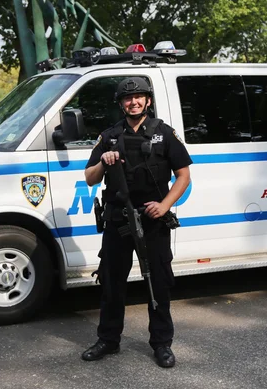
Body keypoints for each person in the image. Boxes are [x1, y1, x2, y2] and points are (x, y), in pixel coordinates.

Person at [82, 77, 192, 368]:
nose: (133, 102)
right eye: (128, 99)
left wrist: (165, 204)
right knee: (111, 282)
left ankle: (162, 343)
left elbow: (183, 175)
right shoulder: (109, 136)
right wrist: (103, 162)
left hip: (152, 220)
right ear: (121, 104)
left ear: (148, 101)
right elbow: (89, 177)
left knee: (159, 283)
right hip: (118, 218)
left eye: (139, 97)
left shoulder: (163, 133)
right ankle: (108, 339)